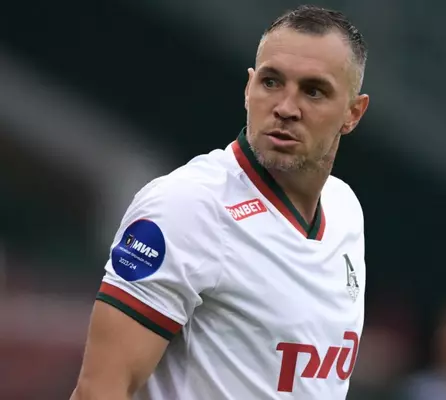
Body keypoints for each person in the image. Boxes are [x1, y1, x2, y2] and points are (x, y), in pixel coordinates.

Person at [70, 5, 370, 400]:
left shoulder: (345, 209)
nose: (285, 107)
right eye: (271, 82)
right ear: (248, 88)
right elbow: (99, 390)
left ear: (353, 113)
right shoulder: (187, 207)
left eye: (313, 91)